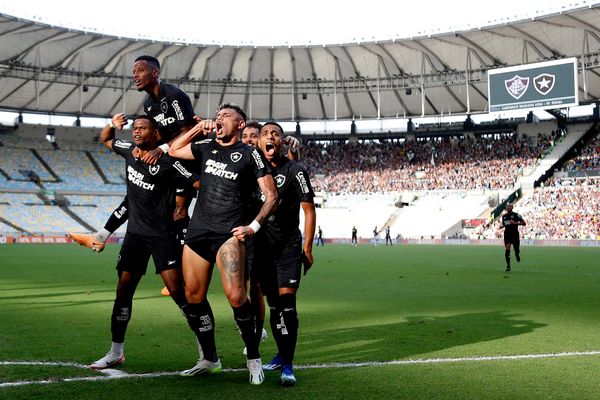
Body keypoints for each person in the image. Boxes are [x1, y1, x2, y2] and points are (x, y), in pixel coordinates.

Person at [168, 103, 278, 385]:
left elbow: (271, 196)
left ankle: (253, 358)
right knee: (192, 296)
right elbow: (173, 150)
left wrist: (253, 226)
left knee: (237, 298)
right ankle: (209, 358)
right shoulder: (205, 147)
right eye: (217, 116)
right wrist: (196, 128)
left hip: (229, 235)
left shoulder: (250, 153)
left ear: (240, 125)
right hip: (197, 233)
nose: (219, 119)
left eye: (226, 116)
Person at [88, 114, 200, 370]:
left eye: (142, 128)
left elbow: (196, 182)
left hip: (163, 236)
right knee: (123, 292)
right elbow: (106, 139)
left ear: (157, 134)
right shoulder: (129, 151)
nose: (136, 132)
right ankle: (116, 352)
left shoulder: (170, 162)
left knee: (178, 293)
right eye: (135, 128)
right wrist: (111, 125)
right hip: (135, 237)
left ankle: (204, 348)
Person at [69, 55, 196, 254]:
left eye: (140, 70)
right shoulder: (148, 105)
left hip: (186, 160)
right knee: (135, 197)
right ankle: (99, 237)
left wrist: (160, 149)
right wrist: (144, 147)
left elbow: (189, 131)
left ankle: (183, 270)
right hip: (165, 158)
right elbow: (157, 133)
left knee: (179, 212)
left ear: (155, 73)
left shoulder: (174, 95)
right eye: (134, 72)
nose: (135, 75)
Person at [255, 121, 316, 386]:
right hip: (262, 247)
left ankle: (288, 365)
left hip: (289, 245)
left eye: (276, 134)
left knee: (287, 303)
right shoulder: (251, 169)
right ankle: (281, 354)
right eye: (265, 134)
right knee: (274, 306)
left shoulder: (296, 170)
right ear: (258, 142)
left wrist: (308, 248)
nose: (270, 137)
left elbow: (309, 210)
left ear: (283, 142)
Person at [500, 202, 526, 272]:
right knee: (507, 250)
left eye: (509, 206)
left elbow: (524, 223)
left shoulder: (516, 215)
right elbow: (505, 224)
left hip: (515, 234)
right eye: (507, 206)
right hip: (507, 234)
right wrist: (502, 226)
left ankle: (517, 254)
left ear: (512, 207)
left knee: (516, 249)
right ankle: (508, 265)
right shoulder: (504, 216)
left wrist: (515, 223)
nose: (508, 207)